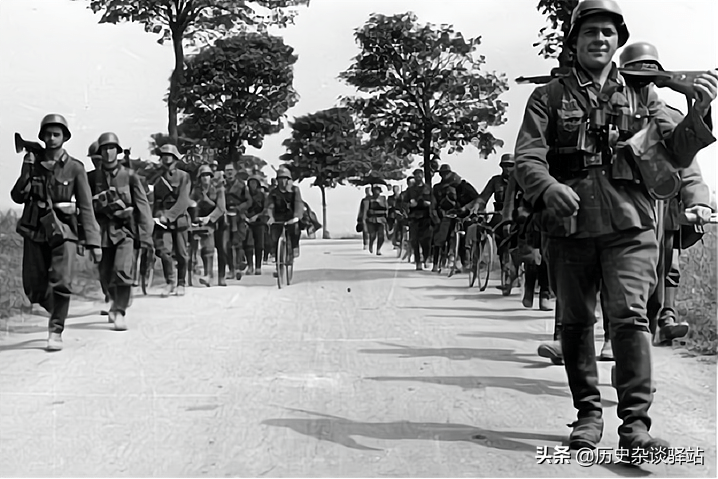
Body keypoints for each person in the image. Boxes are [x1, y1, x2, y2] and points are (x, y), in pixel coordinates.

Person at [514, 0, 717, 456]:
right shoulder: (548, 97)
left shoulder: (644, 95)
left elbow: (679, 153)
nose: (599, 39)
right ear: (575, 41)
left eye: (607, 32)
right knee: (576, 322)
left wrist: (699, 111)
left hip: (631, 225)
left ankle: (636, 428)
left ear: (617, 40)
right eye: (590, 32)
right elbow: (528, 156)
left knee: (629, 319)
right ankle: (588, 414)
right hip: (568, 225)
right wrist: (547, 187)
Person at [11, 114, 102, 351]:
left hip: (65, 232)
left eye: (56, 134)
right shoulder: (34, 163)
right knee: (34, 288)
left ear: (64, 138)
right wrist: (27, 169)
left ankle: (55, 329)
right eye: (47, 134)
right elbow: (17, 196)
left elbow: (86, 207)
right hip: (35, 231)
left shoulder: (75, 168)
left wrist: (93, 242)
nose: (51, 139)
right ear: (41, 137)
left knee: (61, 281)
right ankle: (59, 309)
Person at [88, 132, 153, 330]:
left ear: (118, 151)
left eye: (112, 148)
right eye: (104, 149)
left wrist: (145, 234)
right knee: (106, 275)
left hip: (125, 231)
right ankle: (115, 302)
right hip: (102, 233)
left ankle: (119, 310)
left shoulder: (130, 176)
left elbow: (143, 206)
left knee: (122, 271)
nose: (108, 152)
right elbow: (85, 207)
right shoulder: (91, 178)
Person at [501, 169, 552, 311]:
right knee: (532, 256)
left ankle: (545, 294)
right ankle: (529, 288)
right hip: (527, 218)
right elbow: (510, 198)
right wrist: (508, 220)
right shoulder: (520, 170)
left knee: (548, 257)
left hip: (551, 215)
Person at [466, 153, 516, 286]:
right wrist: (477, 206)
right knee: (490, 231)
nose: (507, 169)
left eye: (510, 166)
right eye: (505, 166)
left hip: (516, 214)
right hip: (499, 214)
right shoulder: (495, 181)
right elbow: (484, 196)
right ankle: (501, 267)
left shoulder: (521, 180)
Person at [152, 144, 192, 297]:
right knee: (164, 252)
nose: (165, 158)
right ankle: (169, 282)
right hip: (163, 222)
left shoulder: (184, 177)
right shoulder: (158, 179)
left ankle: (181, 283)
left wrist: (169, 215)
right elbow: (156, 201)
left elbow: (183, 201)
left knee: (181, 253)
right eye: (163, 156)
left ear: (175, 158)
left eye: (168, 155)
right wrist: (156, 217)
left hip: (179, 219)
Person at [190, 164, 227, 287]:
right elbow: (190, 202)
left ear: (211, 177)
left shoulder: (218, 188)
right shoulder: (196, 190)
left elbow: (221, 207)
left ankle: (221, 276)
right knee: (207, 247)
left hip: (219, 220)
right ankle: (208, 275)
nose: (205, 178)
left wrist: (209, 218)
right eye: (203, 176)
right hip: (206, 223)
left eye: (207, 175)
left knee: (222, 249)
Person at [266, 167, 305, 277]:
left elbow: (298, 204)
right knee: (273, 233)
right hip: (278, 217)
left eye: (284, 179)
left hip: (291, 216)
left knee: (295, 230)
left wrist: (296, 216)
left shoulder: (294, 190)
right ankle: (276, 257)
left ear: (289, 180)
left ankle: (294, 247)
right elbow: (270, 206)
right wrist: (271, 217)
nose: (282, 181)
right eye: (280, 179)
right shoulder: (273, 192)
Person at [223, 162, 252, 280]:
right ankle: (231, 269)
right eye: (227, 170)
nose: (229, 173)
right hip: (225, 216)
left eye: (231, 170)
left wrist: (239, 208)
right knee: (226, 244)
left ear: (235, 172)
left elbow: (249, 201)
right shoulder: (221, 186)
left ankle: (239, 266)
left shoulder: (241, 186)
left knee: (238, 242)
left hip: (239, 216)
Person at [404, 168, 433, 270]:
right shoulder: (410, 190)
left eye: (420, 175)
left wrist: (429, 204)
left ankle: (426, 258)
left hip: (426, 217)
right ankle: (418, 261)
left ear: (423, 176)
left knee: (426, 240)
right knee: (414, 240)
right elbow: (403, 203)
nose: (418, 177)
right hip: (414, 217)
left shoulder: (428, 189)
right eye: (416, 175)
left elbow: (434, 202)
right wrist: (410, 204)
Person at [245, 174, 268, 275]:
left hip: (259, 222)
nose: (252, 185)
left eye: (254, 182)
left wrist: (257, 216)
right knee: (248, 244)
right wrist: (245, 217)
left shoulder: (262, 195)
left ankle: (258, 266)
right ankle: (250, 266)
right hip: (247, 221)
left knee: (259, 244)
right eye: (250, 183)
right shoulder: (244, 194)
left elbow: (265, 209)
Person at [363, 184, 388, 255]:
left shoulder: (383, 199)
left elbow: (386, 209)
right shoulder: (369, 199)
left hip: (381, 219)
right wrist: (364, 220)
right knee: (373, 235)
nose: (377, 193)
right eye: (375, 191)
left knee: (381, 236)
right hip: (371, 219)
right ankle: (371, 244)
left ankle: (378, 249)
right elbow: (366, 210)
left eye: (378, 191)